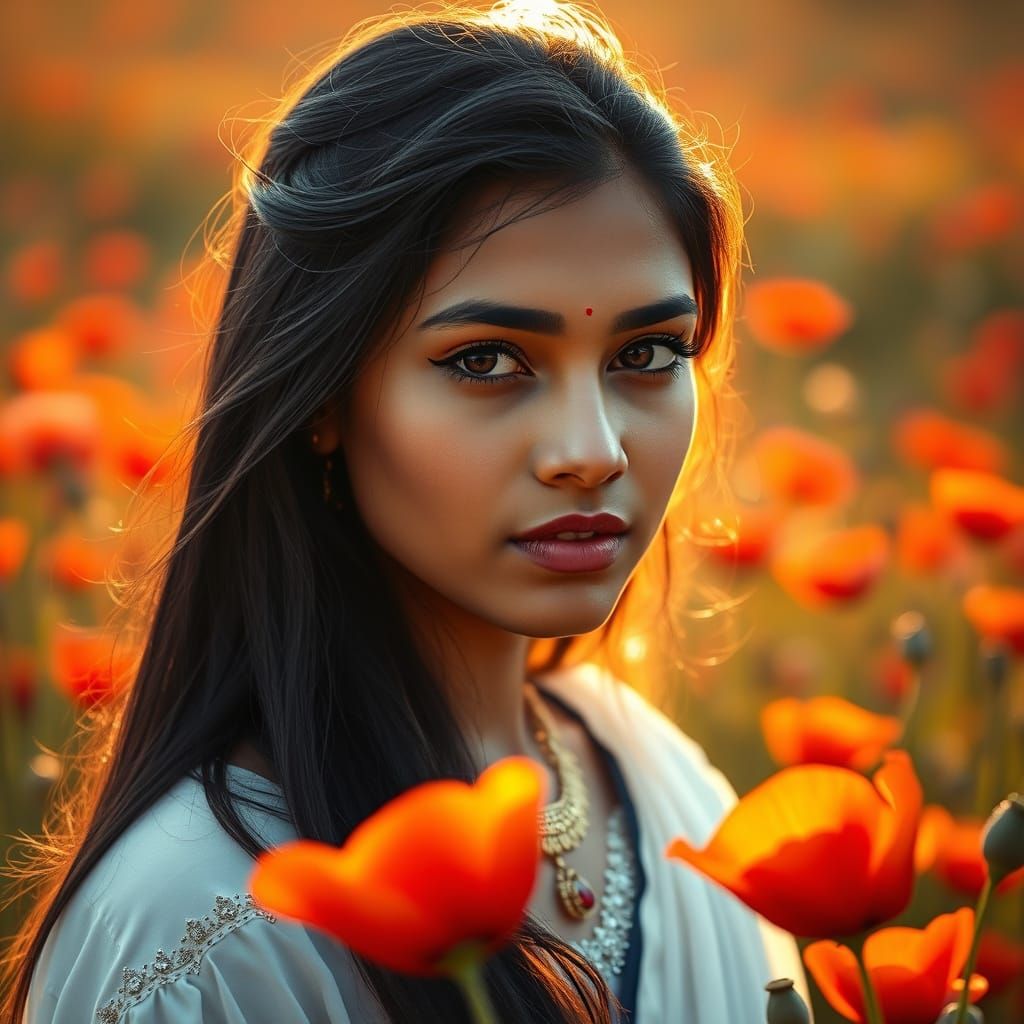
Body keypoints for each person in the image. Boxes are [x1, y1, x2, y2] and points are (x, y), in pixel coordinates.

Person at [2, 1, 813, 1021]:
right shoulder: (204, 935)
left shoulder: (675, 797)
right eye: (485, 361)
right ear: (322, 399)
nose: (592, 451)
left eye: (645, 355)